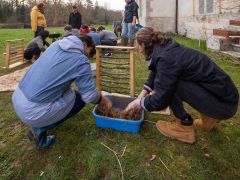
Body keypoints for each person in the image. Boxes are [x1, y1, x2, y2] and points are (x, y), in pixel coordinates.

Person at [125, 27, 239, 144]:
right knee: (168, 80)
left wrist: (139, 103)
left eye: (137, 45)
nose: (137, 49)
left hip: (224, 104)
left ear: (143, 45)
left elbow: (161, 99)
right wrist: (141, 96)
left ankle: (184, 125)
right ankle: (209, 117)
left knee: (170, 85)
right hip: (226, 97)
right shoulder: (166, 48)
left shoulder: (166, 58)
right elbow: (156, 71)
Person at [12, 34, 112, 149]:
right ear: (84, 45)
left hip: (18, 96)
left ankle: (42, 121)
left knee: (68, 91)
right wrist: (104, 100)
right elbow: (89, 96)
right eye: (91, 50)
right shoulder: (80, 59)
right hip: (32, 110)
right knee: (80, 99)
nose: (91, 54)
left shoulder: (55, 45)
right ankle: (39, 129)